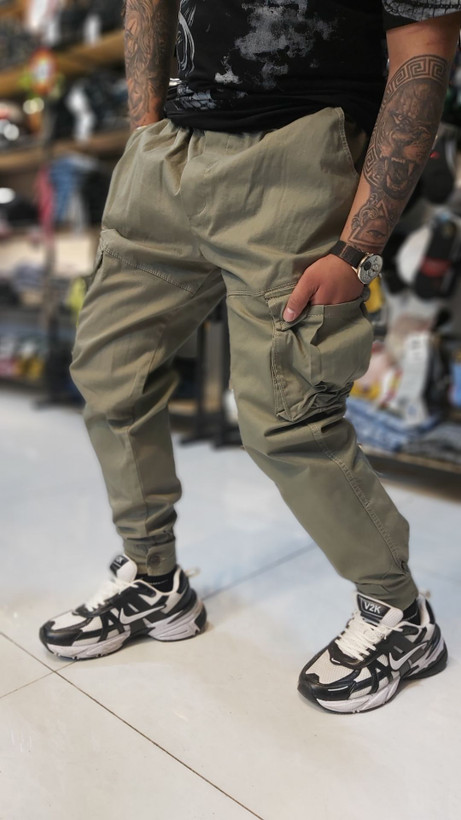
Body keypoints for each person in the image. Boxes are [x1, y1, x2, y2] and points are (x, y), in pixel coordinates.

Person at [40, 1, 461, 713]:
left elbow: (424, 49)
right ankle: (154, 579)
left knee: (285, 418)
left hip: (296, 159)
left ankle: (398, 614)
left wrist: (357, 250)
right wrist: (146, 128)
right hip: (169, 151)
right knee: (109, 376)